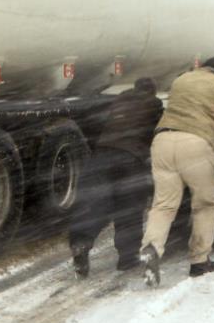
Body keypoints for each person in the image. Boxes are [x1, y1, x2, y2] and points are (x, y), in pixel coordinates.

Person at [138, 57, 214, 286]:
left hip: (163, 141)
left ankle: (151, 247)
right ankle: (199, 261)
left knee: (163, 204)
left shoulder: (182, 79)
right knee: (205, 204)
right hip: (197, 143)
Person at [68, 77, 164, 277]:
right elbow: (156, 132)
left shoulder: (118, 101)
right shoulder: (154, 104)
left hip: (102, 155)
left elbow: (99, 125)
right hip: (130, 159)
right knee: (129, 208)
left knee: (95, 204)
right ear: (152, 91)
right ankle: (127, 259)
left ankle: (81, 243)